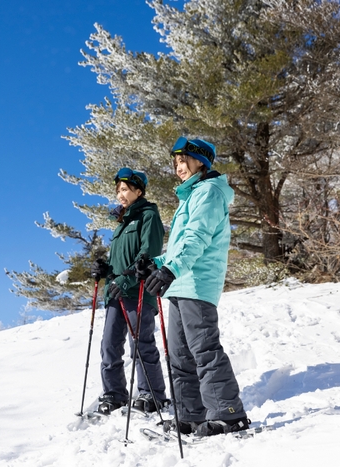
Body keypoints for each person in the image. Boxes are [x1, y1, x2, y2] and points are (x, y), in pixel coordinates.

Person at [137, 136, 250, 436]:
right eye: (175, 163)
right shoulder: (191, 197)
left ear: (200, 160)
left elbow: (196, 240)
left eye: (182, 160)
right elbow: (178, 248)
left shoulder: (210, 192)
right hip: (179, 283)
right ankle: (190, 414)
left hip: (197, 284)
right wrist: (158, 264)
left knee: (204, 350)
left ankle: (229, 413)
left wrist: (171, 269)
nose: (178, 168)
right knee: (179, 355)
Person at [90, 167, 168, 415]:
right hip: (116, 293)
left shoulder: (148, 216)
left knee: (140, 344)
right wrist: (106, 269)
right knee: (109, 345)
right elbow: (121, 259)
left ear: (138, 191)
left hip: (139, 291)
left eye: (125, 189)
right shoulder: (121, 223)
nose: (120, 194)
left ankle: (151, 394)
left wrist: (125, 280)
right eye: (118, 190)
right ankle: (114, 394)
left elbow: (148, 255)